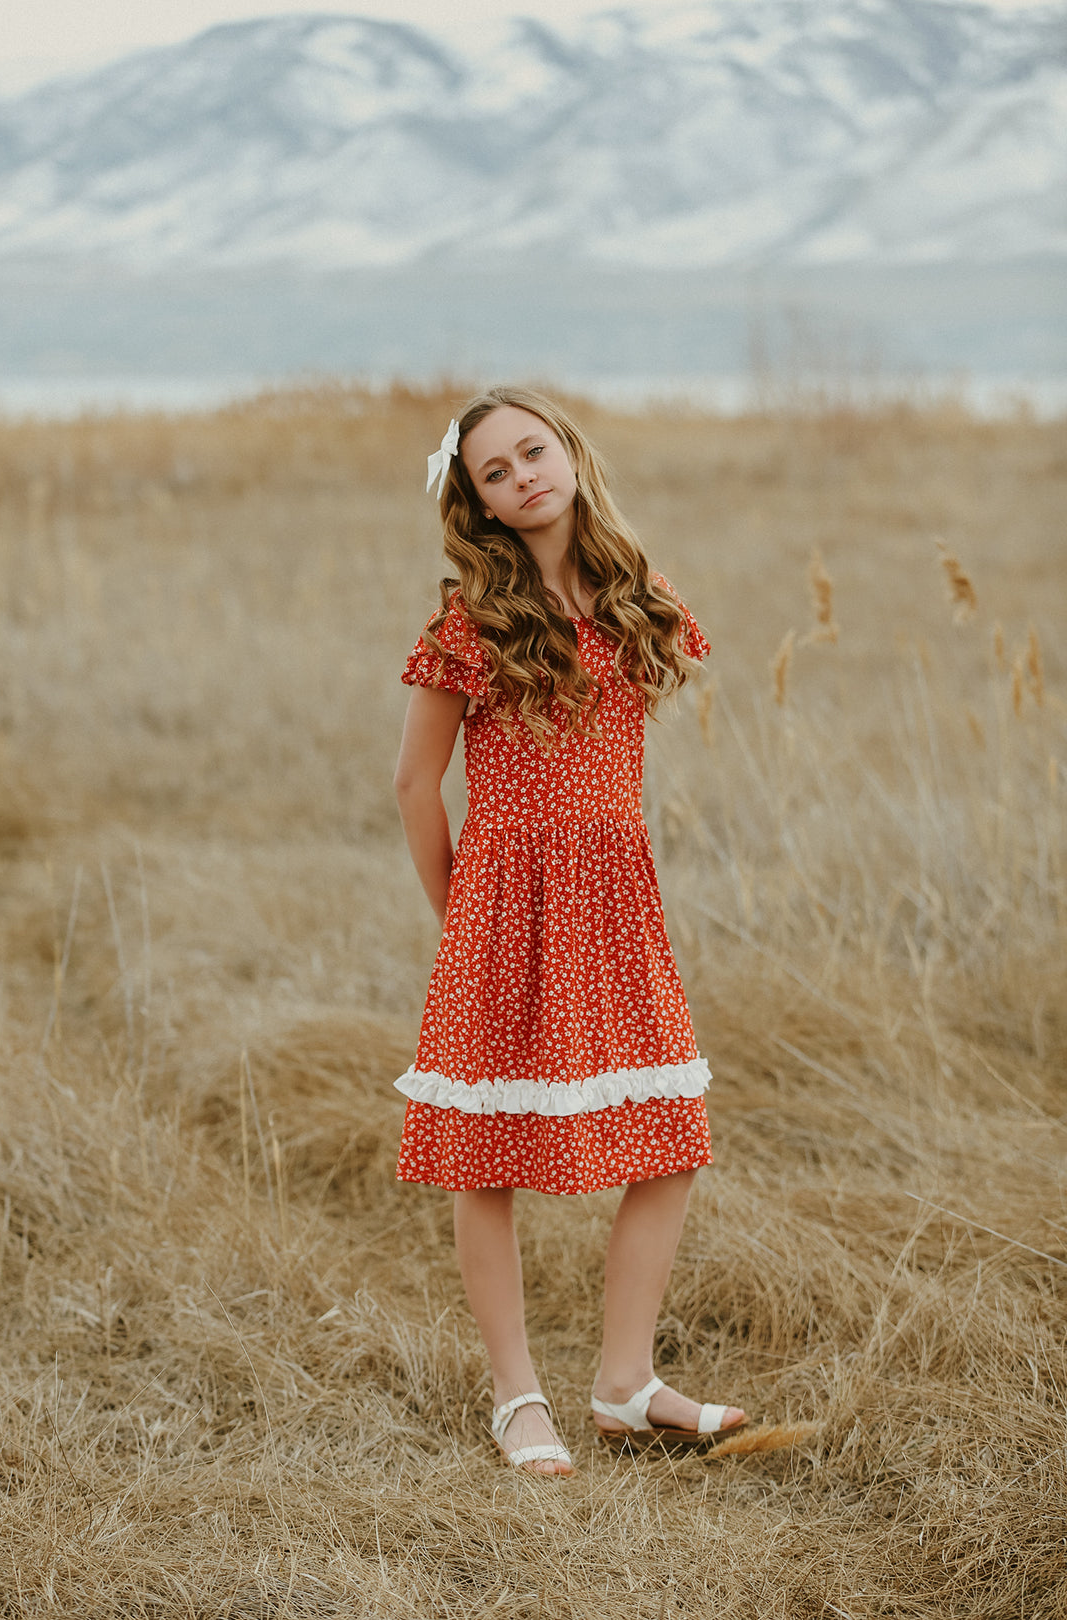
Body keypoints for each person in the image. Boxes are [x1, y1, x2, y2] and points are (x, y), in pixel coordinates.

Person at [392, 386, 745, 1475]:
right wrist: (465, 919)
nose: (522, 477)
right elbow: (415, 783)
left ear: (569, 454)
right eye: (494, 473)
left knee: (672, 1132)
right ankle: (517, 1399)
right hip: (501, 902)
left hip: (615, 898)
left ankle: (625, 1383)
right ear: (481, 506)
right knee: (485, 1150)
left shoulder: (639, 593)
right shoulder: (472, 619)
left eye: (532, 452)